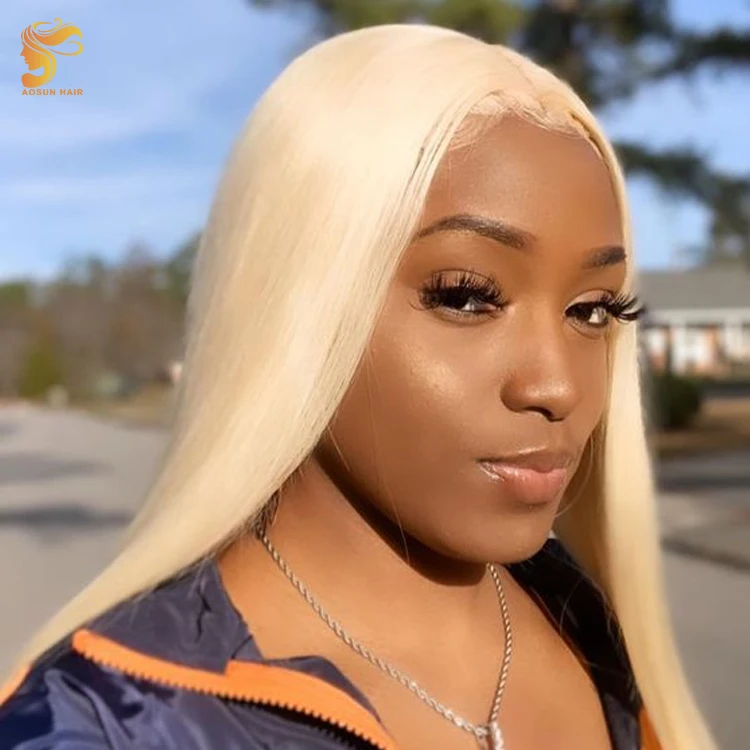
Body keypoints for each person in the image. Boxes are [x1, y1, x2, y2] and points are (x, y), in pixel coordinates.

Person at [0, 23, 715, 750]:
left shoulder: (590, 625)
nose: (556, 385)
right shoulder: (96, 724)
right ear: (288, 304)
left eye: (592, 310)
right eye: (466, 296)